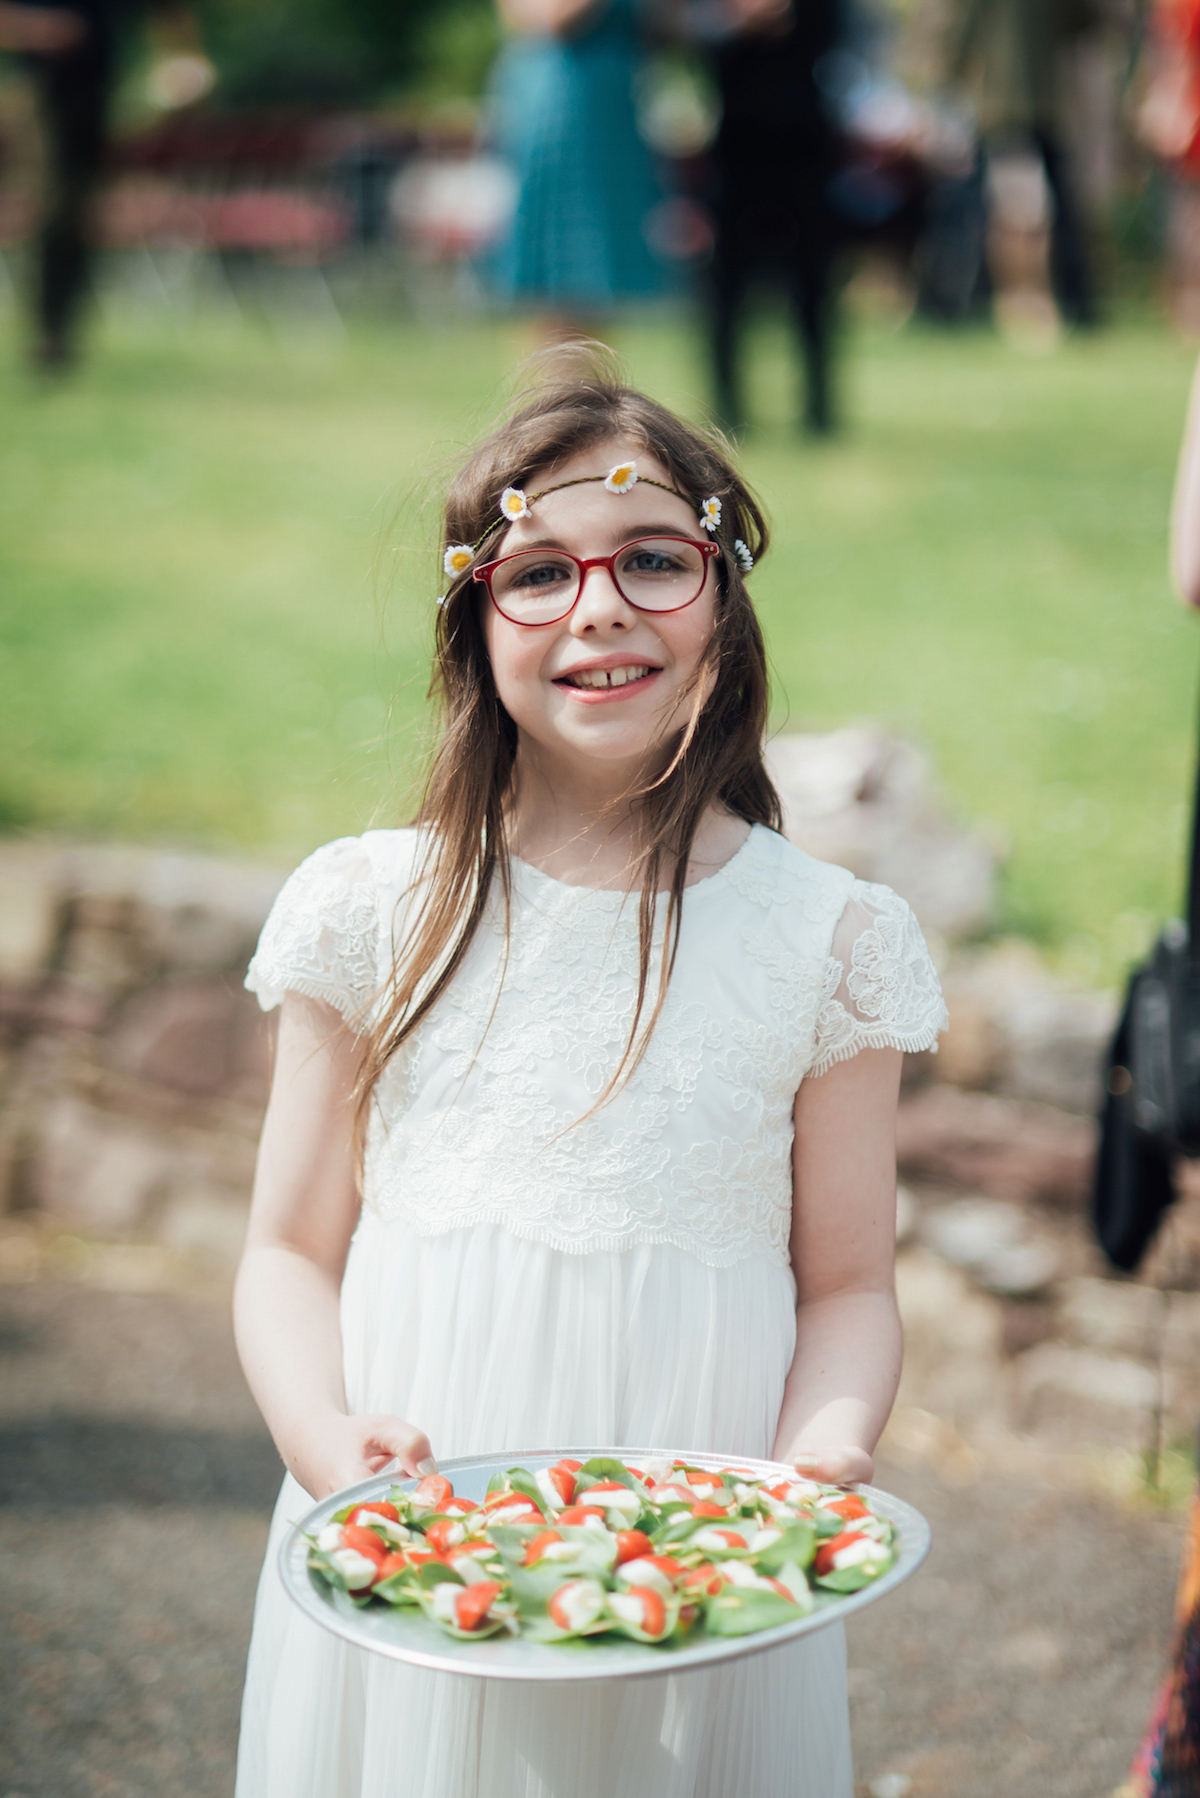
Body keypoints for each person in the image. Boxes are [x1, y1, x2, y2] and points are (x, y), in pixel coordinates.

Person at [231, 354, 947, 1798]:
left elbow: (853, 1285)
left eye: (650, 560)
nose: (600, 603)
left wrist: (815, 1456)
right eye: (538, 572)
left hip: (702, 1546)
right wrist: (323, 1438)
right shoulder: (372, 908)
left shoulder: (828, 937)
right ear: (472, 621)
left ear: (723, 603)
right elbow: (287, 1253)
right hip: (417, 1521)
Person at [700, 0, 843, 436]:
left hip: (804, 142)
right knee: (725, 291)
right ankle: (726, 409)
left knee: (814, 286)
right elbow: (687, 30)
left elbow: (838, 32)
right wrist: (732, 20)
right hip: (735, 147)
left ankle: (820, 411)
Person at [489, 0, 669, 341]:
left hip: (612, 109)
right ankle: (551, 389)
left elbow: (662, 35)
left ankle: (590, 386)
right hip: (563, 106)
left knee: (600, 273)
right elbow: (556, 18)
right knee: (556, 274)